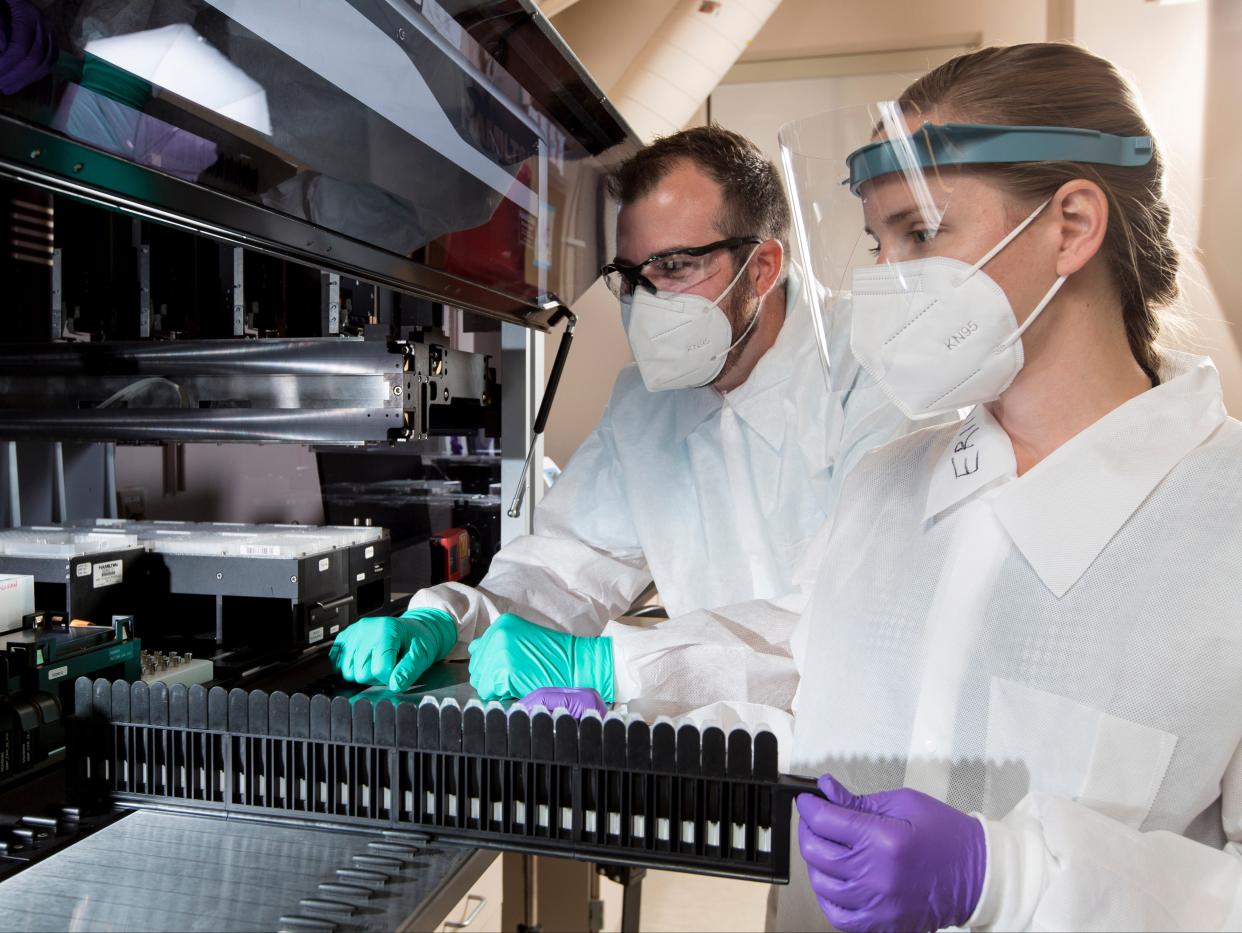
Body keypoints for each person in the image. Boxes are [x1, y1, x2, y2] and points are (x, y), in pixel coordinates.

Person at [464, 43, 1242, 931]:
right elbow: (829, 729)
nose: (880, 279)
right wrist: (638, 735)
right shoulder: (888, 491)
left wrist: (1011, 878)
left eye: (919, 232)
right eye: (876, 242)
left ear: (1071, 224)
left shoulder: (1224, 529)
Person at [330, 125, 919, 697]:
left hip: (870, 764)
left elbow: (851, 625)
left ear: (761, 267)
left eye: (675, 267)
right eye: (631, 276)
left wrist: (611, 666)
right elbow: (570, 568)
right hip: (726, 751)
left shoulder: (877, 370)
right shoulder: (645, 404)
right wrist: (449, 621)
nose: (648, 301)